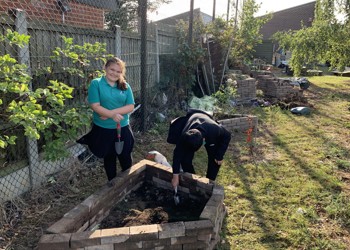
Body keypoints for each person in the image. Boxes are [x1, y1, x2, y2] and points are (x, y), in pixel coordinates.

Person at [77, 57, 135, 181]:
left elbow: (130, 106)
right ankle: (112, 184)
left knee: (125, 156)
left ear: (122, 73)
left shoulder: (125, 86)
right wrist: (112, 115)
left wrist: (111, 113)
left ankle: (128, 182)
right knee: (109, 156)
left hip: (123, 127)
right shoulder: (96, 84)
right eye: (112, 69)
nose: (114, 73)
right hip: (104, 129)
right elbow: (95, 105)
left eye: (118, 71)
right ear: (105, 68)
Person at [167, 109, 231, 188]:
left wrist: (220, 155)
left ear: (203, 140)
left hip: (206, 122)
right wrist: (175, 177)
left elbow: (227, 135)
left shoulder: (214, 129)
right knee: (185, 159)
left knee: (215, 159)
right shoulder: (184, 136)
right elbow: (177, 156)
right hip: (193, 118)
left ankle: (210, 182)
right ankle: (191, 179)